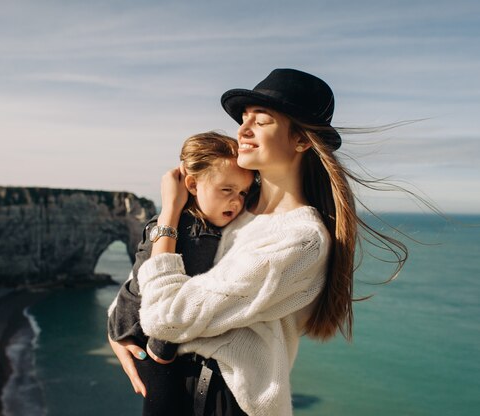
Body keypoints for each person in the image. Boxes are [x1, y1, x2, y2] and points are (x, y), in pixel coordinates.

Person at [109, 68, 408, 416]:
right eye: (244, 119)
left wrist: (169, 215)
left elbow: (164, 317)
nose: (243, 129)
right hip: (178, 392)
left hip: (225, 403)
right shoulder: (233, 213)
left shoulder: (300, 240)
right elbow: (141, 285)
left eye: (261, 121)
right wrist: (118, 333)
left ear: (302, 140)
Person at [108, 132, 255, 416]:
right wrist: (161, 352)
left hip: (140, 335)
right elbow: (165, 302)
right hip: (157, 353)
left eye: (243, 193)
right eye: (227, 190)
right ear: (192, 184)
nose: (236, 202)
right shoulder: (196, 235)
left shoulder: (172, 223)